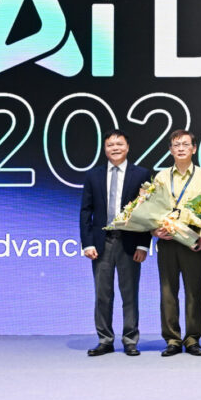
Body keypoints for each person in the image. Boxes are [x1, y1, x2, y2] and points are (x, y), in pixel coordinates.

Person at [79, 130, 150, 357]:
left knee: (130, 294)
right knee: (103, 295)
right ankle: (105, 340)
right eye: (110, 145)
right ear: (105, 149)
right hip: (102, 243)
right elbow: (86, 211)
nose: (115, 148)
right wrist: (87, 243)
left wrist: (143, 245)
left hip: (129, 242)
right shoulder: (93, 175)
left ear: (127, 147)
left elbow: (147, 211)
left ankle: (130, 340)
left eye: (119, 144)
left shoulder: (141, 174)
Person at [152, 130, 201, 357]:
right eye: (176, 145)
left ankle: (192, 339)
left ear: (194, 149)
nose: (180, 148)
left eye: (185, 144)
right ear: (170, 150)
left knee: (194, 291)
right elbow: (152, 208)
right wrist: (155, 230)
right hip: (168, 238)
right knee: (168, 290)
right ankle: (172, 339)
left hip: (194, 240)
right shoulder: (161, 177)